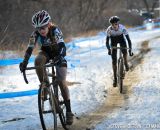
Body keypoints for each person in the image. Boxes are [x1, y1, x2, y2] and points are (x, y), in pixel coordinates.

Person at [19, 10, 73, 125]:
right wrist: (24, 62)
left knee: (61, 81)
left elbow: (63, 46)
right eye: (38, 28)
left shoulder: (55, 30)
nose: (41, 31)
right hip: (46, 53)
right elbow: (29, 49)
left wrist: (60, 57)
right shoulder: (35, 35)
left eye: (43, 27)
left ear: (48, 24)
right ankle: (45, 86)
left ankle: (68, 111)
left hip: (58, 53)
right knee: (38, 61)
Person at [105, 16, 133, 87]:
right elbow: (107, 42)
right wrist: (109, 49)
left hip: (121, 39)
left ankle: (126, 62)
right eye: (112, 24)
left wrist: (130, 50)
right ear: (111, 24)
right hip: (113, 40)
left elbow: (128, 40)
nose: (114, 26)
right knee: (114, 60)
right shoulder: (109, 30)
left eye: (115, 24)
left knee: (124, 51)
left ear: (118, 24)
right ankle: (115, 78)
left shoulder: (122, 28)